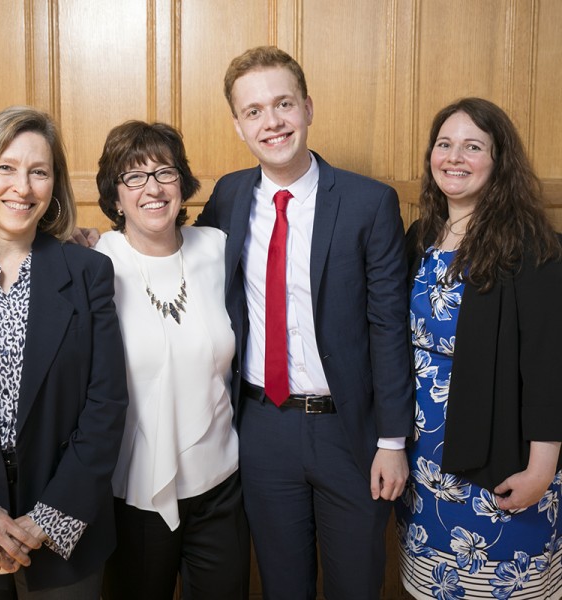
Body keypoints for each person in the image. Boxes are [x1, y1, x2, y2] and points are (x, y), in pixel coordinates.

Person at [195, 46, 415, 600]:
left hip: (351, 433)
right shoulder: (228, 196)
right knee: (281, 586)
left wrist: (392, 440)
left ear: (309, 108)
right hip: (262, 426)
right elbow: (175, 251)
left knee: (357, 585)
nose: (272, 122)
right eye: (254, 112)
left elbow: (388, 326)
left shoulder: (370, 203)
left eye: (284, 104)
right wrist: (95, 247)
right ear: (239, 125)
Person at [396, 97, 562, 599]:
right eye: (444, 144)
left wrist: (542, 468)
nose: (455, 157)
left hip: (502, 457)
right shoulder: (419, 237)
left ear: (499, 160)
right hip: (424, 460)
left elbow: (548, 366)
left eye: (473, 146)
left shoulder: (533, 247)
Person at [0, 106, 128, 599]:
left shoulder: (87, 272)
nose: (23, 187)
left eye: (39, 171)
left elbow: (107, 407)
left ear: (54, 185)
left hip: (65, 537)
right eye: (5, 168)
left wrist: (48, 519)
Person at [94, 120, 250, 600]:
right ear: (115, 198)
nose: (153, 188)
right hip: (133, 490)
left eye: (164, 172)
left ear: (182, 182)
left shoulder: (220, 249)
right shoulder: (95, 263)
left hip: (221, 484)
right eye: (134, 177)